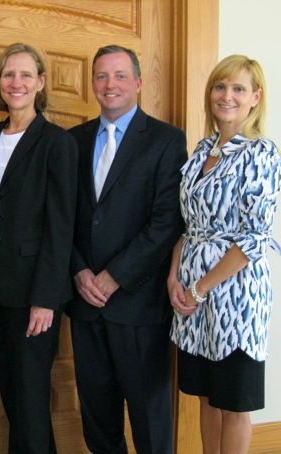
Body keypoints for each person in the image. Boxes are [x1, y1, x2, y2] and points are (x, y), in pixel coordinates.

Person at [67, 44, 187, 454]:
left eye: (119, 76)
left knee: (149, 420)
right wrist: (80, 271)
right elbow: (62, 218)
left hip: (139, 304)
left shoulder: (167, 141)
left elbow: (167, 222)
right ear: (93, 85)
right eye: (101, 76)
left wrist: (115, 276)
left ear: (137, 82)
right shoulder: (73, 141)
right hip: (85, 305)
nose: (109, 84)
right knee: (97, 419)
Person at [0, 43, 78, 454]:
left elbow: (60, 227)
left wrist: (46, 298)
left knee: (30, 396)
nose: (16, 83)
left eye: (26, 75)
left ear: (41, 83)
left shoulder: (56, 143)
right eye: (9, 75)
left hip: (34, 290)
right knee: (15, 394)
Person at [169, 55, 281, 454]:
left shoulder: (261, 153)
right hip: (193, 292)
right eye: (220, 87)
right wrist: (174, 277)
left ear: (255, 97)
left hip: (235, 293)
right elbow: (189, 224)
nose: (226, 96)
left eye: (237, 88)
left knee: (233, 402)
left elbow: (253, 237)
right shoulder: (201, 151)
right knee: (205, 394)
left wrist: (201, 287)